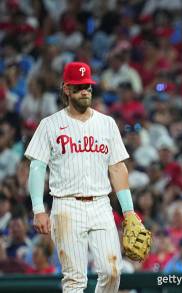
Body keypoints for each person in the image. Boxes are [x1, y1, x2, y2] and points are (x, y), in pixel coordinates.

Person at [25, 62, 145, 292]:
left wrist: (129, 211)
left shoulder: (106, 124)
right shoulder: (50, 125)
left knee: (112, 272)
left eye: (88, 87)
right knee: (74, 280)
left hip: (101, 205)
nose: (85, 91)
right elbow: (37, 167)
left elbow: (118, 168)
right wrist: (38, 209)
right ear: (66, 89)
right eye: (79, 87)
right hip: (66, 206)